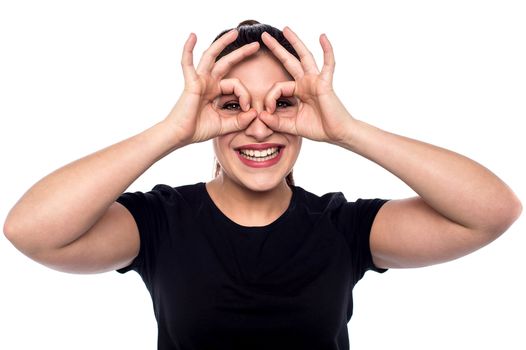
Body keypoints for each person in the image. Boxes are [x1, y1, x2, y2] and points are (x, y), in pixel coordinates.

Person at [3, 19, 522, 350]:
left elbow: (492, 211)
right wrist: (171, 132)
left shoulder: (342, 228)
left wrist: (348, 131)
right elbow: (31, 231)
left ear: (307, 109)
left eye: (282, 103)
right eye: (232, 105)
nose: (258, 125)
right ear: (206, 112)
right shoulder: (159, 223)